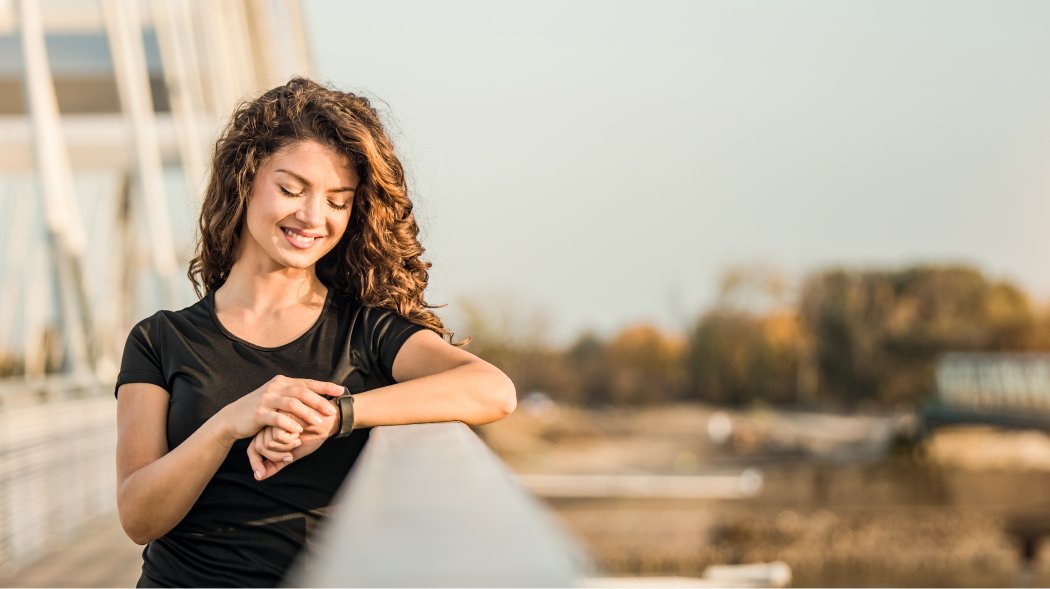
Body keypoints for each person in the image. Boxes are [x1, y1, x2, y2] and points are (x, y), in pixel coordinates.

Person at [114, 77, 516, 587]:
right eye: (291, 189)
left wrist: (337, 414)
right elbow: (138, 518)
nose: (312, 217)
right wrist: (227, 425)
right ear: (244, 181)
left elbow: (493, 392)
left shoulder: (365, 329)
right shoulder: (159, 340)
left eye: (338, 200)